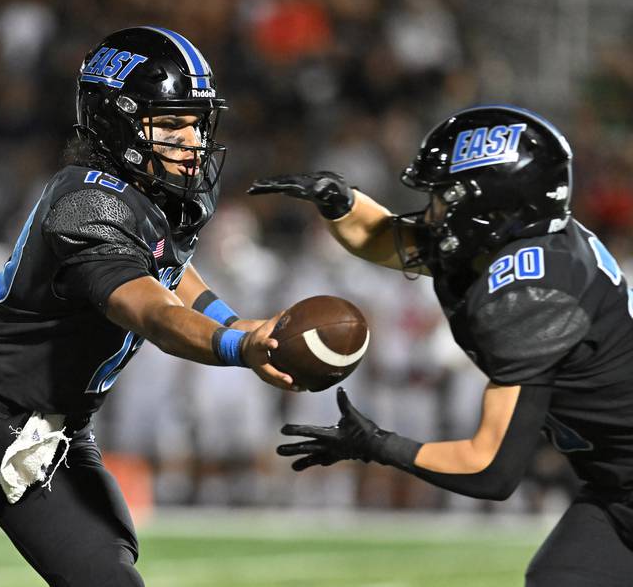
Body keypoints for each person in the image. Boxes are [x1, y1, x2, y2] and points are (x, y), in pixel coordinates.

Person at [0, 26, 294, 587]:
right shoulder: (87, 202)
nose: (193, 140)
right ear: (116, 120)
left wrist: (229, 319)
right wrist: (237, 345)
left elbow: (169, 266)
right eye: (172, 123)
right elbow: (151, 310)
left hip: (55, 433)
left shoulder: (152, 193)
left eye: (196, 122)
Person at [248, 105, 633, 587]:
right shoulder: (517, 245)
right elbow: (392, 240)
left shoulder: (532, 294)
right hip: (616, 488)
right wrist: (342, 204)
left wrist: (378, 445)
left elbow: (492, 469)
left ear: (491, 206)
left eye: (444, 197)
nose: (433, 212)